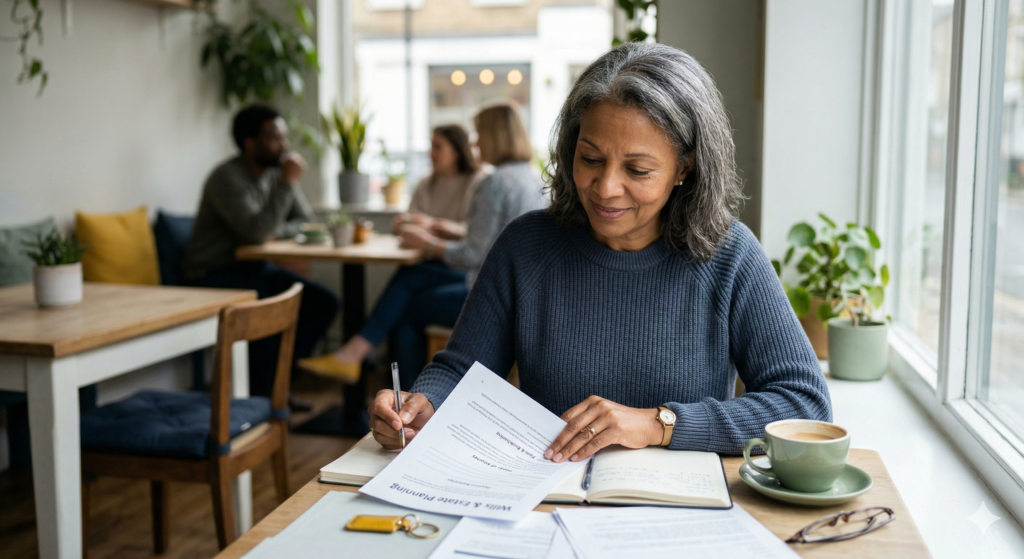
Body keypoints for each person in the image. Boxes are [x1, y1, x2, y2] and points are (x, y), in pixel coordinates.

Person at [368, 43, 832, 458]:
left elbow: (804, 403)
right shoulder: (525, 247)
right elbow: (461, 369)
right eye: (590, 159)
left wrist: (658, 424)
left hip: (680, 512)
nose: (606, 188)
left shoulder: (730, 255)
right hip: (546, 503)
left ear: (684, 168)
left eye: (638, 169)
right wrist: (421, 403)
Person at [299, 103, 547, 387]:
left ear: (496, 136)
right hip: (524, 297)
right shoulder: (532, 177)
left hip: (494, 302)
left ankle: (409, 403)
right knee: (410, 282)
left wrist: (427, 243)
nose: (475, 142)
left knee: (408, 310)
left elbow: (473, 254)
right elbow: (493, 240)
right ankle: (367, 365)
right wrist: (440, 231)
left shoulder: (494, 183)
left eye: (480, 134)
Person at [183, 104, 339, 407]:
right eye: (274, 138)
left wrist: (275, 227)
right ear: (249, 142)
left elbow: (306, 221)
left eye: (284, 137)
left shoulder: (274, 175)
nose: (285, 146)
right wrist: (286, 184)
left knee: (323, 302)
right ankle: (263, 396)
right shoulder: (227, 178)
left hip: (252, 269)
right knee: (273, 306)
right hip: (211, 273)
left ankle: (277, 385)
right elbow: (255, 234)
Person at [395, 124, 488, 237]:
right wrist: (402, 222)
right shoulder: (425, 182)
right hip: (421, 252)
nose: (431, 153)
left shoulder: (479, 182)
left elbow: (477, 232)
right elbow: (409, 218)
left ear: (457, 151)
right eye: (431, 146)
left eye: (438, 147)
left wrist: (431, 224)